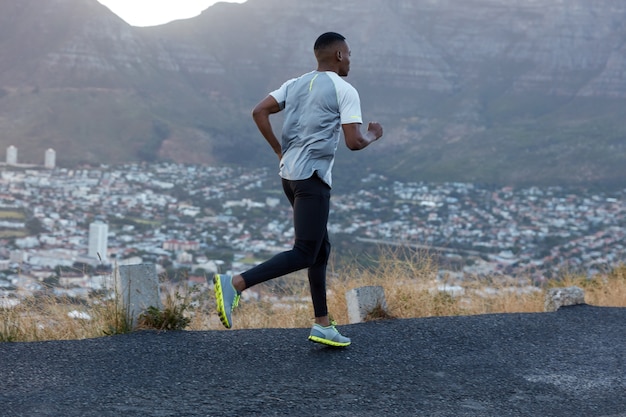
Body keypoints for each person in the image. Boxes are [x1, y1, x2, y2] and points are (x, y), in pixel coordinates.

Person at [213, 31, 383, 347]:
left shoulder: (295, 84)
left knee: (320, 249)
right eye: (349, 53)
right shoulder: (344, 89)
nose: (350, 59)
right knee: (305, 251)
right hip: (312, 180)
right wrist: (374, 134)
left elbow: (258, 111)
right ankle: (235, 283)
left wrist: (279, 150)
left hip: (289, 177)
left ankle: (322, 324)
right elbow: (354, 141)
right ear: (339, 55)